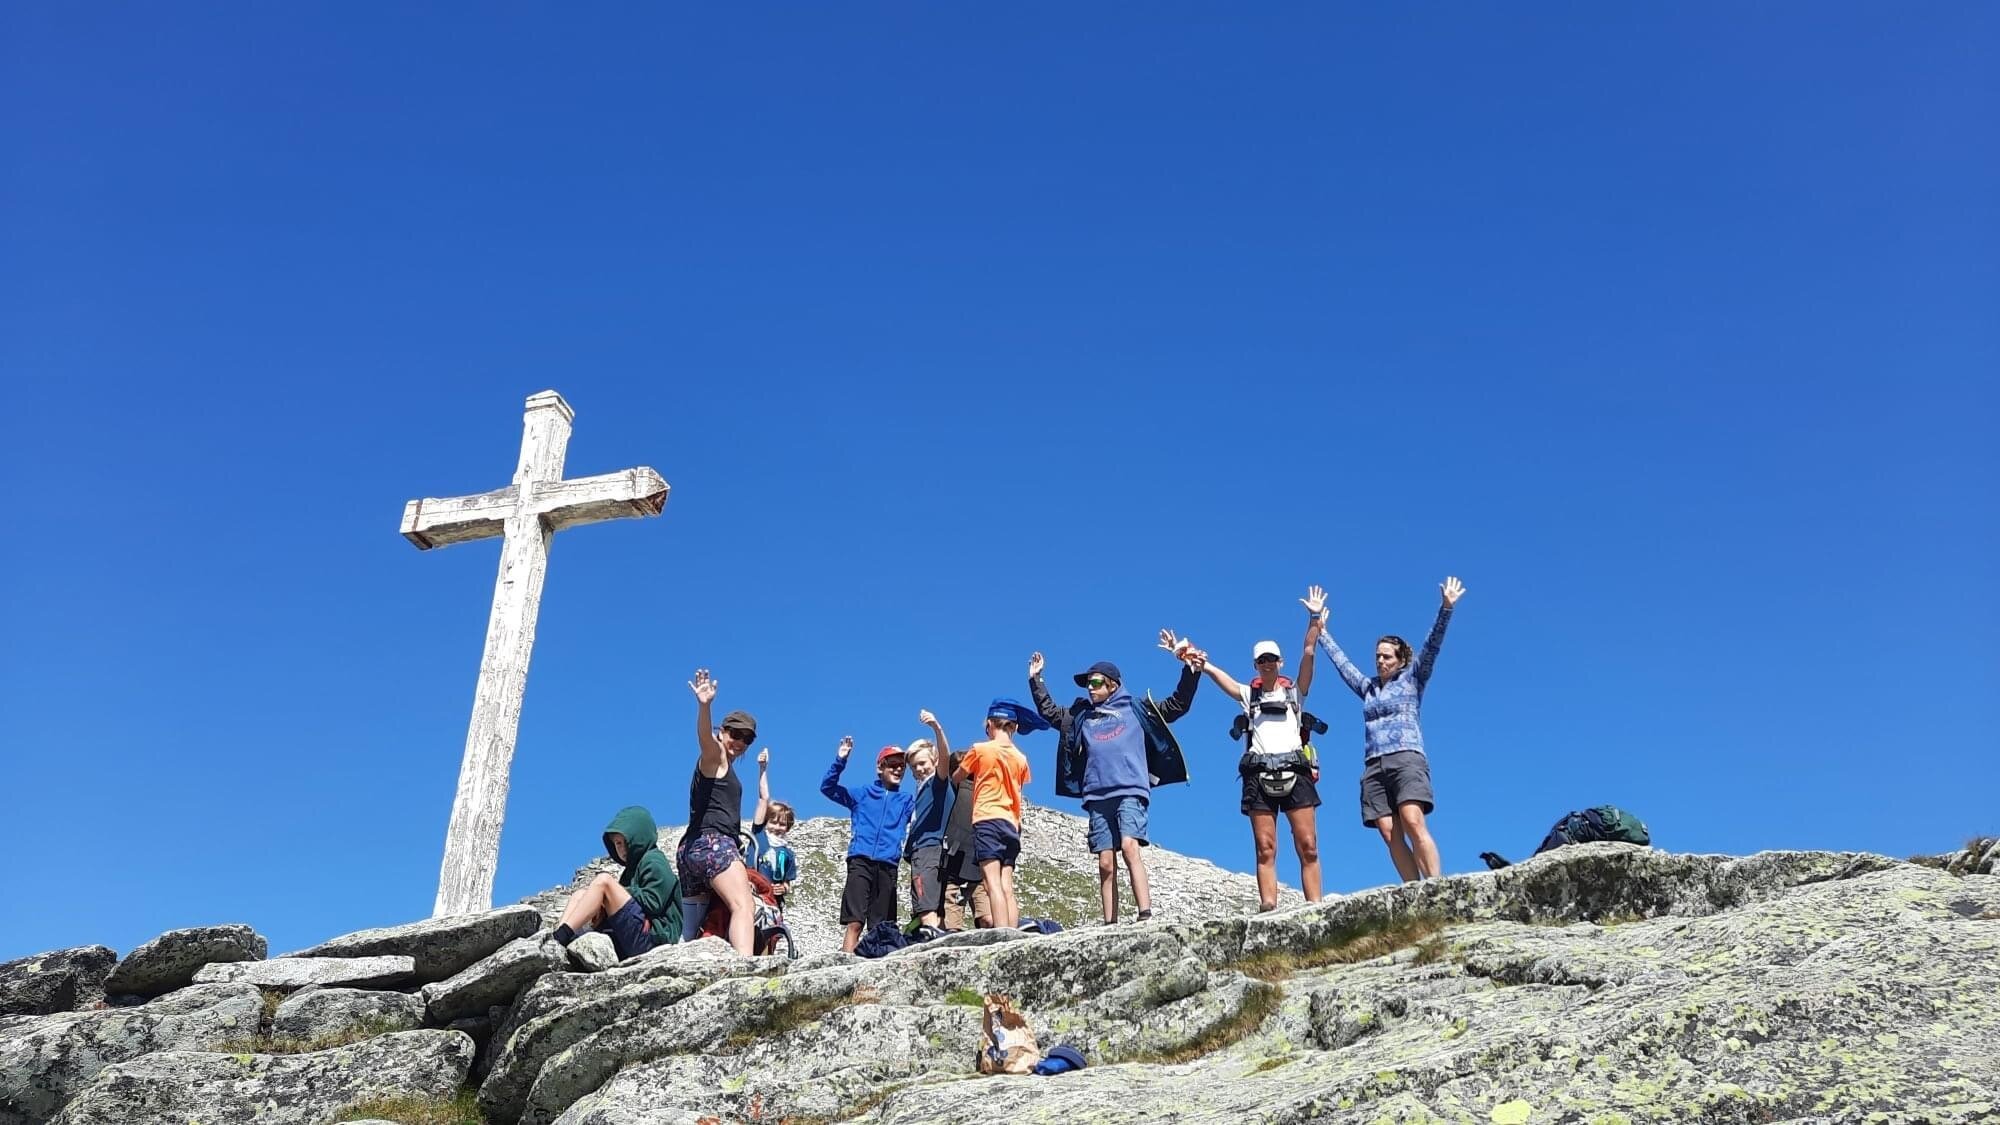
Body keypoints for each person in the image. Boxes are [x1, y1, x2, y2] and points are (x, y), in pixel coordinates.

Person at [1027, 648, 1201, 924]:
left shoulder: (1137, 708)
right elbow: (1050, 713)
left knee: (1130, 846)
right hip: (1096, 795)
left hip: (1131, 790)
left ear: (1113, 685)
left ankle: (1145, 913)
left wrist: (1191, 671)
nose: (1090, 689)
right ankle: (1110, 923)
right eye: (1087, 684)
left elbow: (1177, 705)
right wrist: (1036, 680)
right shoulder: (1081, 716)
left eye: (1095, 683)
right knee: (1105, 862)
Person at [1310, 577, 1465, 881]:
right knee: (1388, 831)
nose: (1380, 660)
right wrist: (1321, 630)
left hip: (1406, 757)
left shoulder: (1413, 678)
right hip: (1373, 765)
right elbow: (1344, 666)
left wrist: (1446, 608)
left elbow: (1432, 644)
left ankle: (1436, 885)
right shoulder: (1368, 688)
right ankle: (1412, 890)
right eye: (1378, 656)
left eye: (1387, 656)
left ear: (1400, 659)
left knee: (1412, 819)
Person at [1171, 612, 1325, 910]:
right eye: (1262, 660)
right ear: (1256, 665)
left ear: (1280, 662)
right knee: (1265, 848)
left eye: (1272, 659)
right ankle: (1269, 906)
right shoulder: (1248, 695)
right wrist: (1186, 653)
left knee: (1308, 845)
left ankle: (1315, 907)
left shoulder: (1296, 693)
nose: (1267, 664)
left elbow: (1308, 655)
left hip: (1295, 771)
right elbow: (1215, 673)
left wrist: (1314, 620)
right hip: (1258, 775)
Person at [679, 668, 760, 955]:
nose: (739, 741)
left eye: (746, 738)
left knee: (691, 930)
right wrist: (705, 706)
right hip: (716, 845)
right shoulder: (717, 759)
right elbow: (705, 742)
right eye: (734, 733)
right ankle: (745, 970)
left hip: (690, 850)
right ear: (722, 732)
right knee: (743, 905)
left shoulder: (725, 767)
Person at [951, 700, 1046, 931]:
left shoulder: (980, 749)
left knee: (991, 881)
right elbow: (1020, 786)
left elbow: (958, 776)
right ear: (1013, 727)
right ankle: (1013, 931)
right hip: (1012, 823)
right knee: (1007, 884)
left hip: (987, 819)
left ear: (990, 724)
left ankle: (1002, 936)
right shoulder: (1021, 758)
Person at [822, 735, 917, 953]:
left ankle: (872, 975)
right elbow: (827, 788)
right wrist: (841, 759)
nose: (898, 769)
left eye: (902, 766)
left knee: (879, 927)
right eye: (892, 764)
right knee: (855, 922)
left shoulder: (906, 801)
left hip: (888, 865)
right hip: (860, 860)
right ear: (879, 768)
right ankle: (845, 967)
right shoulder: (862, 794)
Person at [551, 805, 681, 959]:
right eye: (617, 844)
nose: (622, 848)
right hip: (631, 937)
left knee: (604, 882)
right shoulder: (630, 870)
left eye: (625, 841)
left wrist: (616, 893)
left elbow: (654, 903)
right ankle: (556, 941)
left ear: (638, 838)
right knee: (580, 894)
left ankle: (561, 936)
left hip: (653, 938)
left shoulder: (653, 860)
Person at [903, 711, 955, 931]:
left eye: (922, 763)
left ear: (933, 760)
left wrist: (936, 728)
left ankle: (930, 937)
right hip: (932, 849)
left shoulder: (938, 781)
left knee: (926, 905)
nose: (919, 769)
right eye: (914, 766)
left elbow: (945, 756)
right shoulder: (923, 787)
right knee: (936, 903)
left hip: (927, 848)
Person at [939, 737, 992, 932]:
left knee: (987, 918)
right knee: (959, 922)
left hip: (975, 862)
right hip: (960, 861)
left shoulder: (983, 791)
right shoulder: (952, 789)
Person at [749, 748, 799, 909]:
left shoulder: (788, 854)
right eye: (773, 822)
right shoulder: (758, 835)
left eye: (782, 824)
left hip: (772, 903)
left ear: (788, 827)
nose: (777, 827)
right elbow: (764, 798)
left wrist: (783, 888)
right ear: (766, 821)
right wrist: (763, 768)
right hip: (749, 894)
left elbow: (787, 882)